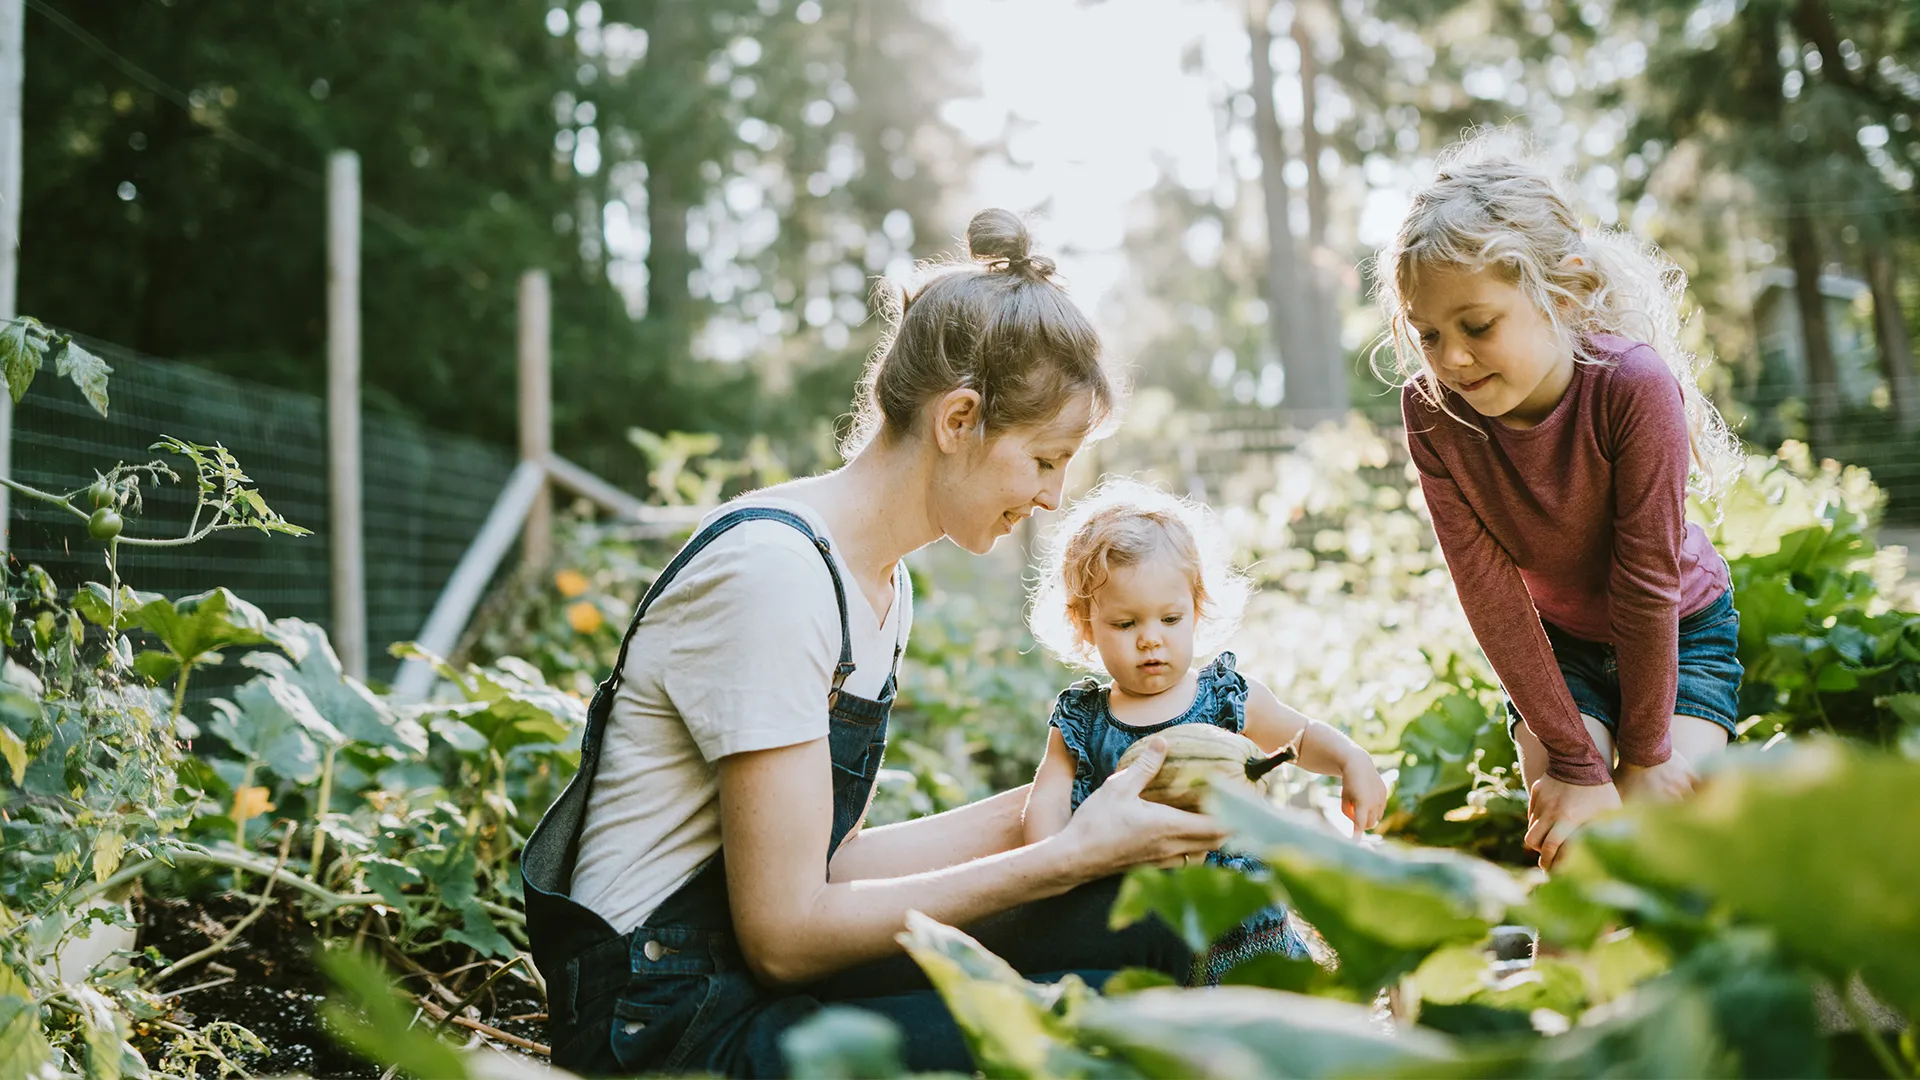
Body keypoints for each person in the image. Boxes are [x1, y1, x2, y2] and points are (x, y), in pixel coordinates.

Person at [521, 209, 1229, 1078]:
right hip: (667, 1028)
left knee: (1152, 918)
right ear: (958, 419)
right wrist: (1063, 858)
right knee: (1093, 1035)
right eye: (1045, 460)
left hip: (745, 977)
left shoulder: (877, 581)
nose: (1051, 500)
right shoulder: (776, 574)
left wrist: (1071, 799)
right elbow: (785, 933)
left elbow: (830, 861)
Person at [1372, 135, 1746, 871]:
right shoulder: (1434, 414)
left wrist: (1642, 756)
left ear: (1564, 293)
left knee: (1655, 850)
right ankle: (1560, 991)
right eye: (1429, 335)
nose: (1450, 358)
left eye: (1477, 326)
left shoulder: (1631, 386)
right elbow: (1490, 597)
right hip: (1559, 652)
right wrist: (1577, 765)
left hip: (1681, 632)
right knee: (1578, 856)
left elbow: (1645, 584)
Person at [1021, 478, 1388, 981]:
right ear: (1086, 625)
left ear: (1196, 610)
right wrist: (1054, 863)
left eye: (1170, 619)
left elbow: (1298, 736)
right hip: (1148, 927)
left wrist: (1350, 759)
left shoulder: (1224, 698)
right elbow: (1046, 800)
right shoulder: (1083, 721)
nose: (1151, 639)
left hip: (1247, 928)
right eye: (1126, 625)